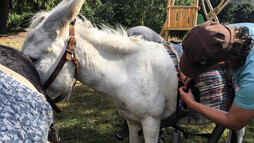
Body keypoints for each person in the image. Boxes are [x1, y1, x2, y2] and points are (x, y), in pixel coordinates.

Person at [179, 21, 254, 130]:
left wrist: (192, 104)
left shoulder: (250, 79)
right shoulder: (224, 35)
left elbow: (234, 121)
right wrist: (197, 71)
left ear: (221, 63)